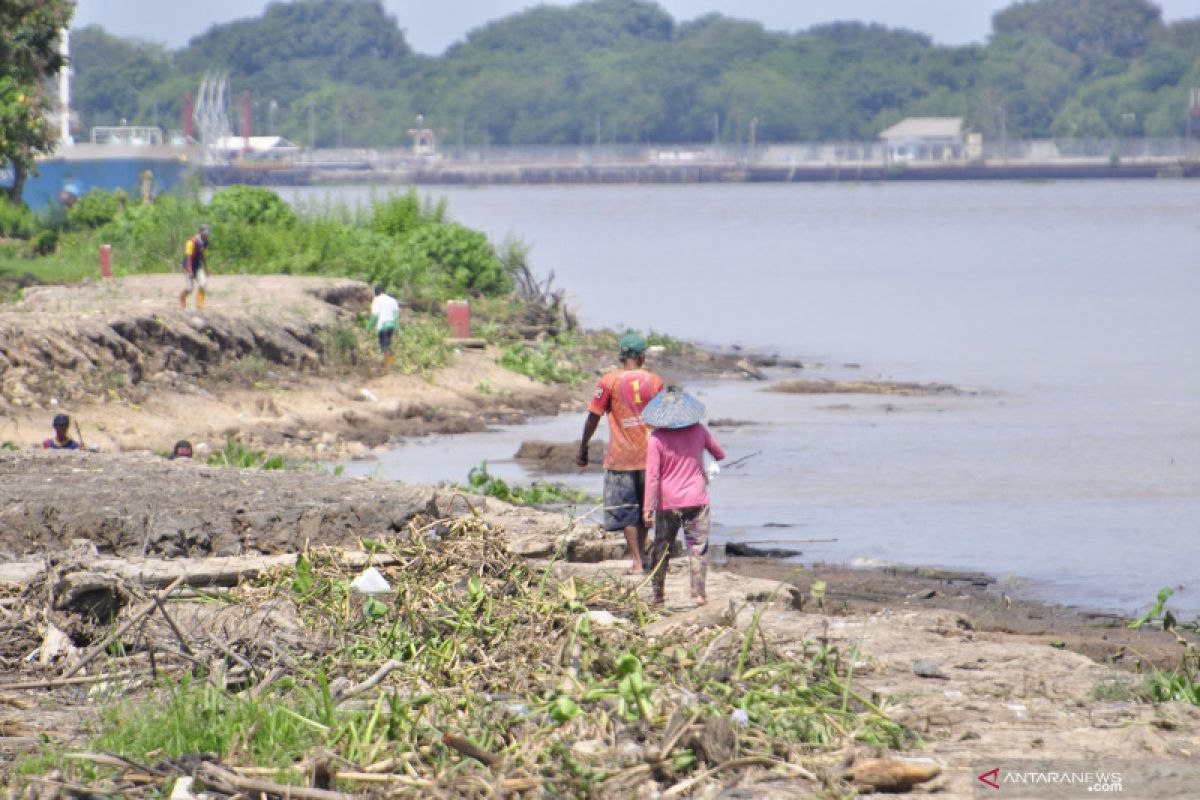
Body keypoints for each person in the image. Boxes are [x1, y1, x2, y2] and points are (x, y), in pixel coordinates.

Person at [577, 332, 664, 574]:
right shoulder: (655, 381)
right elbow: (667, 418)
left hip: (621, 457)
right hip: (651, 456)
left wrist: (583, 447)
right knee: (646, 509)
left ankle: (637, 561)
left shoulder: (609, 381)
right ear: (642, 357)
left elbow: (592, 417)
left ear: (622, 357)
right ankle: (644, 557)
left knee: (627, 511)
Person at [642, 386, 724, 607]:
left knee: (662, 548)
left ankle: (658, 597)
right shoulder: (699, 430)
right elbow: (719, 453)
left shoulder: (656, 439)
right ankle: (698, 594)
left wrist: (647, 508)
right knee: (698, 547)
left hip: (667, 503)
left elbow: (652, 477)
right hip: (697, 499)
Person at [179, 223, 211, 310]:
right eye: (205, 232)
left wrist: (206, 267)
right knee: (189, 288)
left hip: (198, 266)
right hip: (188, 266)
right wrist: (189, 270)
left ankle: (200, 304)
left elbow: (202, 255)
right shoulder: (192, 241)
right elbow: (188, 256)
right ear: (200, 232)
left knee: (203, 283)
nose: (206, 234)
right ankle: (182, 298)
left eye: (208, 232)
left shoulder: (206, 242)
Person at [369, 284, 401, 367]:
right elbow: (396, 316)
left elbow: (375, 316)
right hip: (391, 327)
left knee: (385, 347)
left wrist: (368, 327)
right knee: (387, 344)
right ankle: (388, 364)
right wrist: (397, 329)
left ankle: (389, 366)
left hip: (382, 327)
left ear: (376, 292)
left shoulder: (376, 300)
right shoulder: (393, 300)